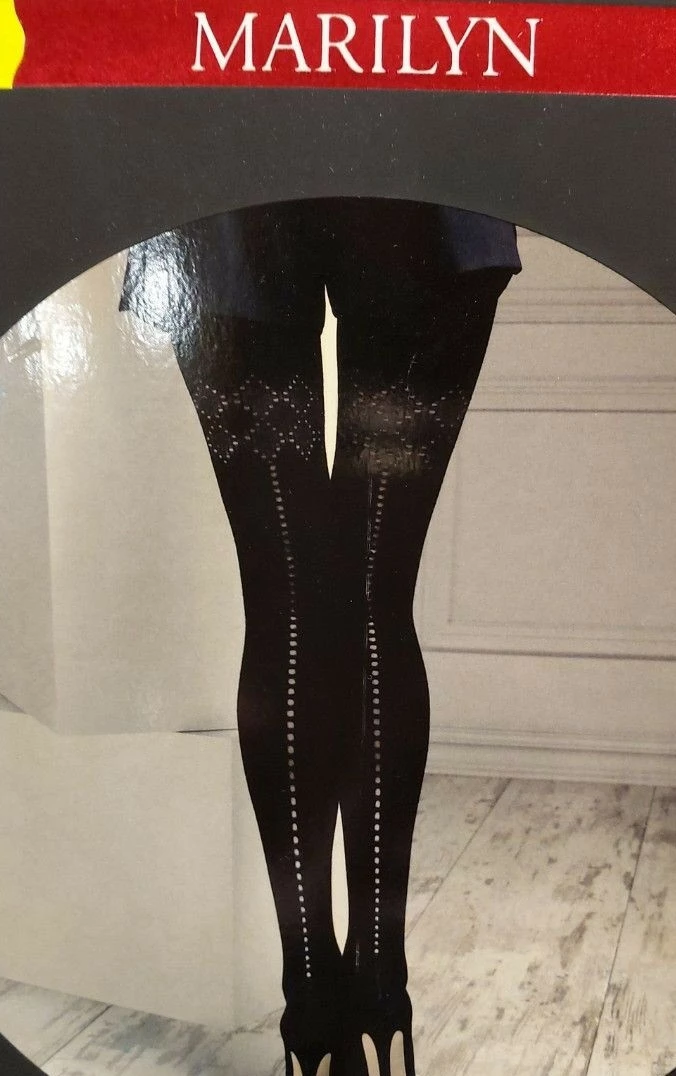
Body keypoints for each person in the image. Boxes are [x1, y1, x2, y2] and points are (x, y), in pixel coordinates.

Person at [120, 198, 521, 1076]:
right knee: (373, 595)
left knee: (288, 602)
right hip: (417, 173)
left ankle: (310, 998)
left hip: (223, 186)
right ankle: (378, 993)